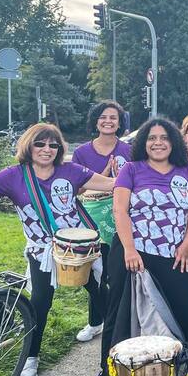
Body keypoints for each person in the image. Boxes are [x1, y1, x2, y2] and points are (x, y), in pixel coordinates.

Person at [0, 123, 115, 376]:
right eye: (40, 143)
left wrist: (144, 171)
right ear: (28, 145)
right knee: (40, 304)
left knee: (104, 298)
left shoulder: (70, 171)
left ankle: (111, 354)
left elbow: (111, 184)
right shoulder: (13, 176)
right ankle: (31, 356)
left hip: (79, 249)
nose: (47, 149)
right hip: (42, 250)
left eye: (53, 144)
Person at [98, 118, 188, 376]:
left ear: (173, 142)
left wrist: (186, 243)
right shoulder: (131, 170)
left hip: (172, 254)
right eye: (151, 138)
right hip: (132, 253)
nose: (158, 143)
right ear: (143, 143)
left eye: (164, 138)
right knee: (118, 314)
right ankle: (109, 373)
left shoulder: (184, 171)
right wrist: (129, 249)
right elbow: (120, 210)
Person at [71, 101, 131, 343]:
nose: (108, 121)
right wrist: (106, 174)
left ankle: (120, 321)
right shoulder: (82, 152)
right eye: (103, 117)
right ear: (95, 121)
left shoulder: (130, 150)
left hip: (120, 216)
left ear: (120, 122)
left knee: (115, 273)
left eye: (113, 117)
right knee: (92, 274)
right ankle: (96, 322)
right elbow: (77, 185)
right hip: (89, 218)